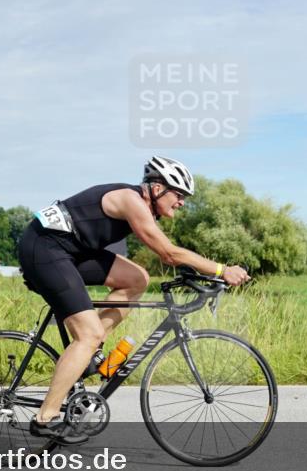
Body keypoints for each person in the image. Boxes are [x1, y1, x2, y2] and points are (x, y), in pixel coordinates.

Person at [17, 156, 250, 444]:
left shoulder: (142, 207)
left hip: (71, 250)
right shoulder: (131, 201)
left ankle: (90, 351)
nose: (182, 203)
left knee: (137, 279)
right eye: (179, 195)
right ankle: (45, 418)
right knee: (86, 335)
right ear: (157, 188)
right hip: (44, 249)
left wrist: (196, 274)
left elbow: (170, 256)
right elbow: (169, 253)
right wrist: (220, 270)